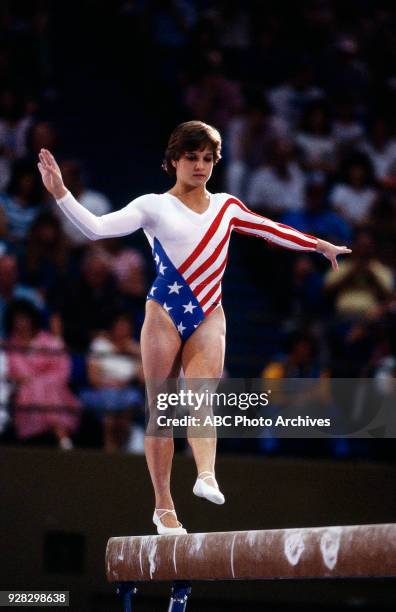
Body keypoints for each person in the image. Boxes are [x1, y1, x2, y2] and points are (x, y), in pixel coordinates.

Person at [37, 120, 351, 534]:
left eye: (207, 158)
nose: (200, 166)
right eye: (191, 158)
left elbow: (271, 230)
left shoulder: (228, 207)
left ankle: (205, 474)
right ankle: (163, 506)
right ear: (172, 161)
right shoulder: (153, 205)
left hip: (209, 313)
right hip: (165, 312)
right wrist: (61, 193)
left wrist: (318, 245)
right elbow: (97, 228)